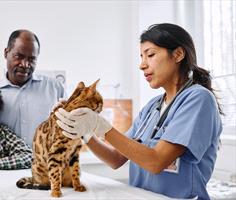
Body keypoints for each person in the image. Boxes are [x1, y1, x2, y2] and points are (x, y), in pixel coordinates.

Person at [55, 23, 223, 199]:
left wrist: (100, 125)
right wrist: (85, 132)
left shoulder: (198, 99)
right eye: (141, 57)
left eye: (150, 55)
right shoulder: (152, 107)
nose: (142, 65)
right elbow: (115, 159)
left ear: (178, 54)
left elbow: (156, 161)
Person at [0, 29, 65, 147]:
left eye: (31, 59)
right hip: (7, 165)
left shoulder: (54, 88)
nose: (25, 64)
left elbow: (68, 130)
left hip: (47, 164)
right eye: (19, 56)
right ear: (6, 53)